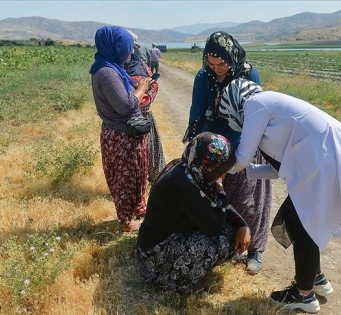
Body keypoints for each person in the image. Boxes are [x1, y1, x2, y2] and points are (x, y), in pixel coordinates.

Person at [218, 78, 341, 313]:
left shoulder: (255, 103)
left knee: (301, 224)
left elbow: (241, 157)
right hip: (335, 154)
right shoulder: (270, 108)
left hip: (328, 158)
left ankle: (304, 295)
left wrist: (219, 171)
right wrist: (247, 172)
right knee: (298, 220)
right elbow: (280, 168)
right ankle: (316, 278)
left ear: (233, 105)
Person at [184, 30, 272, 275]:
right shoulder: (204, 77)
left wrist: (237, 154)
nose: (216, 69)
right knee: (214, 193)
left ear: (232, 57)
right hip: (214, 145)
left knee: (249, 199)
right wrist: (197, 147)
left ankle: (255, 249)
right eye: (210, 64)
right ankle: (228, 243)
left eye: (221, 63)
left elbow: (253, 116)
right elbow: (197, 113)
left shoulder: (248, 73)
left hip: (245, 139)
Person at [137, 131, 251, 292]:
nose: (224, 174)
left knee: (233, 229)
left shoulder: (191, 170)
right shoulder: (184, 185)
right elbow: (214, 227)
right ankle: (172, 281)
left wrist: (242, 224)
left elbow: (215, 205)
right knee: (223, 241)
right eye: (222, 170)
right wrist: (221, 191)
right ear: (209, 166)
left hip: (166, 237)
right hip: (154, 256)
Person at [89, 25, 156, 232]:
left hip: (125, 133)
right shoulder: (107, 73)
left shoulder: (111, 67)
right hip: (122, 136)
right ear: (116, 47)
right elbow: (125, 105)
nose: (129, 53)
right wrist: (141, 89)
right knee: (125, 179)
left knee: (134, 174)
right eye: (127, 48)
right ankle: (126, 222)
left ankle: (134, 209)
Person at [124, 33, 166, 185]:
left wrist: (144, 98)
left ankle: (152, 180)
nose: (130, 52)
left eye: (133, 48)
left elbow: (153, 85)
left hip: (144, 116)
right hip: (125, 120)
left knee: (149, 151)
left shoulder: (141, 65)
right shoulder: (115, 69)